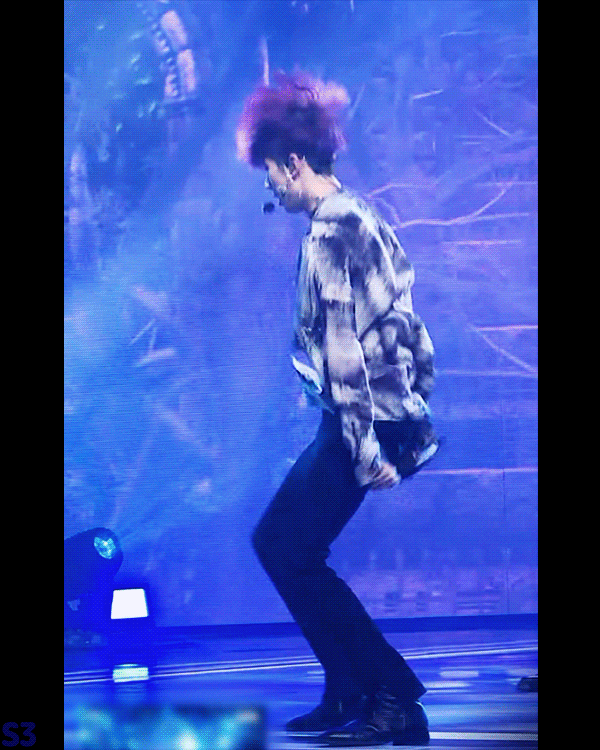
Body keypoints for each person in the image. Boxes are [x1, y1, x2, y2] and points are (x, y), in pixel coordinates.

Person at [236, 71, 439, 747]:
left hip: (363, 420)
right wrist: (417, 404)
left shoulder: (328, 233)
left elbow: (344, 350)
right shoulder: (363, 214)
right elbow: (409, 320)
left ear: (294, 163)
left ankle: (392, 696)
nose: (271, 188)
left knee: (284, 546)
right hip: (381, 415)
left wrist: (365, 445)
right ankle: (350, 687)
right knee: (287, 545)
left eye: (272, 173)